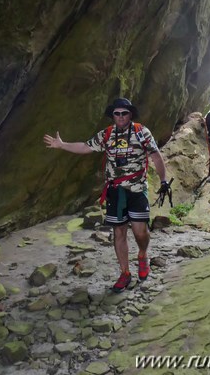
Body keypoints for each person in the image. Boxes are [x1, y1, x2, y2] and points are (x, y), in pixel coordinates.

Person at [43, 97, 168, 293]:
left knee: (140, 232)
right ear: (113, 115)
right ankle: (125, 273)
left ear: (130, 114)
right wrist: (62, 145)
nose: (120, 117)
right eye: (116, 113)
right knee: (119, 232)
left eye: (124, 113)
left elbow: (156, 156)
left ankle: (142, 255)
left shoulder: (141, 132)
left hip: (137, 190)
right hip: (115, 191)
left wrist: (163, 180)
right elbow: (85, 147)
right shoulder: (107, 134)